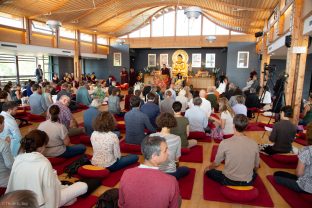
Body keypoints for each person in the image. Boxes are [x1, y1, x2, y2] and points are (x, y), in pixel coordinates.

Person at [5, 130, 88, 207]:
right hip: (42, 203)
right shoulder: (43, 162)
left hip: (19, 202)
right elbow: (50, 192)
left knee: (69, 196)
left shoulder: (18, 158)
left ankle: (68, 199)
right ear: (41, 147)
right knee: (83, 186)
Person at [119, 136, 181, 208]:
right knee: (178, 199)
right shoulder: (171, 181)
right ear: (154, 156)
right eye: (165, 150)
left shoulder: (126, 173)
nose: (168, 153)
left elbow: (121, 204)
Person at [205, 114, 259, 186]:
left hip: (229, 180)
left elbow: (216, 163)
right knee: (254, 174)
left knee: (209, 172)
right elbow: (256, 167)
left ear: (233, 126)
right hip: (248, 181)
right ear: (246, 127)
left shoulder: (225, 142)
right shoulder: (254, 143)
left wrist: (208, 168)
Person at [273, 122, 312, 193]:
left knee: (275, 177)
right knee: (279, 173)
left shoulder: (306, 151)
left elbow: (299, 173)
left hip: (306, 187)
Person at [151, 113, 190, 179]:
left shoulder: (151, 136)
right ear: (173, 123)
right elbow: (176, 159)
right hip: (170, 173)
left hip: (154, 171)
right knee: (186, 169)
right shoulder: (177, 138)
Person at [0, 115, 14, 188]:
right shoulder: (3, 144)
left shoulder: (3, 143)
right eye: (3, 123)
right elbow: (9, 165)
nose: (4, 125)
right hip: (3, 181)